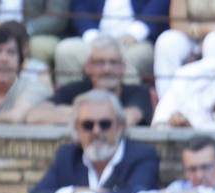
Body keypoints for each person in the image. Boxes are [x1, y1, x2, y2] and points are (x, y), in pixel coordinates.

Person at [25, 88, 161, 193]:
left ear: (120, 127)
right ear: (77, 129)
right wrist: (77, 192)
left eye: (105, 124)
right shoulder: (68, 156)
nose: (96, 131)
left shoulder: (141, 156)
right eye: (88, 125)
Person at [26, 34, 154, 126]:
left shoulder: (139, 92)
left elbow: (129, 119)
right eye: (100, 62)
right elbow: (34, 115)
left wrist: (73, 112)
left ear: (123, 68)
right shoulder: (73, 89)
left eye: (113, 62)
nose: (107, 69)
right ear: (88, 67)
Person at [54, 0, 168, 85]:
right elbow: (80, 6)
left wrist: (136, 32)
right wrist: (92, 35)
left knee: (125, 61)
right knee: (66, 50)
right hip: (96, 37)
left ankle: (122, 111)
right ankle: (74, 107)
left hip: (137, 40)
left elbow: (159, 4)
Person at [153, 0, 215, 98]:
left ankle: (214, 105)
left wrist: (196, 29)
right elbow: (177, 23)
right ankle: (168, 105)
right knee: (167, 41)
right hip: (195, 37)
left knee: (214, 41)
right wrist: (202, 30)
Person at [0, 0, 69, 75]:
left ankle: (31, 95)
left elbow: (57, 17)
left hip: (35, 32)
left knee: (37, 47)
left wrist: (25, 29)